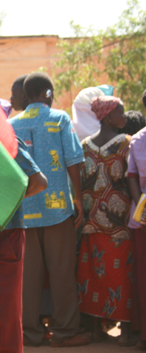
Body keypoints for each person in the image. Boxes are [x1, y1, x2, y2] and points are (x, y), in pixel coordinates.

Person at [10, 72, 90, 347]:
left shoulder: (11, 125)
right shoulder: (60, 119)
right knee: (62, 273)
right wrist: (77, 198)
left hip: (24, 211)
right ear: (46, 93)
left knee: (28, 278)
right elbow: (73, 159)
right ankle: (65, 332)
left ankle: (29, 333)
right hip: (57, 210)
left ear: (24, 95)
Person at [0, 99, 48, 353]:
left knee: (7, 316)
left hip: (6, 236)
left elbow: (39, 182)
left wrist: (3, 203)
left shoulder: (9, 144)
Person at [76, 96, 134, 344]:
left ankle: (97, 329)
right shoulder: (126, 144)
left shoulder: (84, 145)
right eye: (121, 112)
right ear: (109, 116)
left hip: (91, 222)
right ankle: (127, 331)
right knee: (121, 275)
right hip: (119, 224)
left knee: (93, 276)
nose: (125, 117)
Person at [127, 125, 146, 351]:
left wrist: (142, 207)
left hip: (141, 217)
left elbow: (131, 177)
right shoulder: (138, 140)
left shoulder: (138, 139)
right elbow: (131, 176)